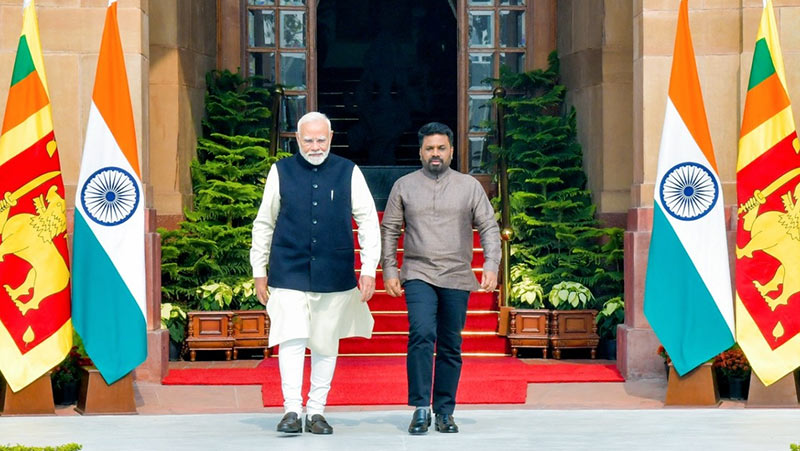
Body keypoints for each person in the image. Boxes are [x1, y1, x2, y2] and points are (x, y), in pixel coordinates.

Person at [250, 112, 380, 435]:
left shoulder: (349, 172)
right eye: (308, 140)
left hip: (334, 272)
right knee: (291, 339)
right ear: (297, 139)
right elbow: (264, 222)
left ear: (331, 137)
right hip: (288, 269)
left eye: (321, 139)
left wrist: (368, 269)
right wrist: (258, 269)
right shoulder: (279, 172)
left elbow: (367, 221)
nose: (315, 146)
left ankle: (317, 410)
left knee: (325, 343)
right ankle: (292, 409)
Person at [381, 122, 501, 435]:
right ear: (420, 152)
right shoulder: (404, 186)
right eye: (430, 148)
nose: (436, 154)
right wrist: (390, 270)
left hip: (457, 275)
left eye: (441, 148)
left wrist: (491, 264)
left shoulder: (469, 186)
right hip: (418, 271)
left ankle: (445, 410)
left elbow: (488, 226)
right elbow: (390, 229)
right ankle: (421, 407)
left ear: (451, 151)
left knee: (450, 343)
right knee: (421, 333)